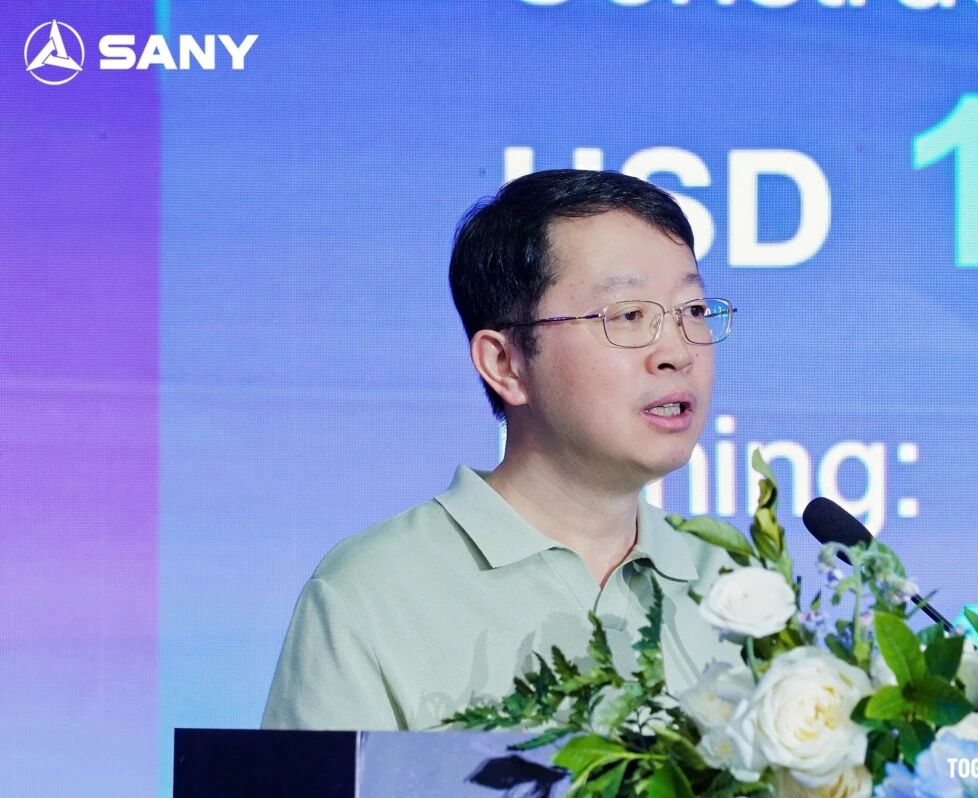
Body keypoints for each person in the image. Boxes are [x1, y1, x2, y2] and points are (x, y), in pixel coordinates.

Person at [262, 169, 741, 730]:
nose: (678, 352)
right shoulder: (369, 594)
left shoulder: (739, 588)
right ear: (505, 363)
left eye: (693, 311)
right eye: (629, 316)